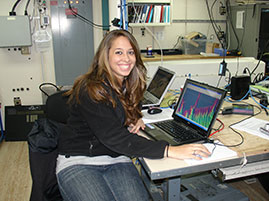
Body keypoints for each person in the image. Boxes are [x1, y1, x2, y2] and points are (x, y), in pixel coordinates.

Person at [56, 29, 211, 201]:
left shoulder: (128, 84)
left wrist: (133, 117)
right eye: (119, 52)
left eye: (130, 52)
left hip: (116, 157)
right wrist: (169, 150)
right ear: (105, 56)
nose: (126, 58)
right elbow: (116, 138)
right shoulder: (91, 89)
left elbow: (121, 113)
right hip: (80, 160)